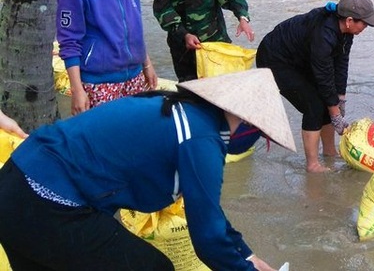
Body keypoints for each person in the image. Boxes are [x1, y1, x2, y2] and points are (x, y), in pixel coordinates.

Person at [0, 69, 295, 270]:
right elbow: (207, 239)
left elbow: (209, 213)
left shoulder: (181, 110)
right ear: (248, 123)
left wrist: (247, 254)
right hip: (46, 200)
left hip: (15, 183)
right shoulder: (200, 137)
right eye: (262, 137)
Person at [257, 0, 374, 173]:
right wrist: (335, 114)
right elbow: (323, 76)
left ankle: (330, 151)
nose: (366, 26)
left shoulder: (346, 32)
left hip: (301, 58)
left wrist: (340, 98)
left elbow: (341, 63)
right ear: (349, 20)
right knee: (314, 105)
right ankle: (312, 164)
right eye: (364, 22)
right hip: (275, 60)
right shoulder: (324, 35)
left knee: (328, 101)